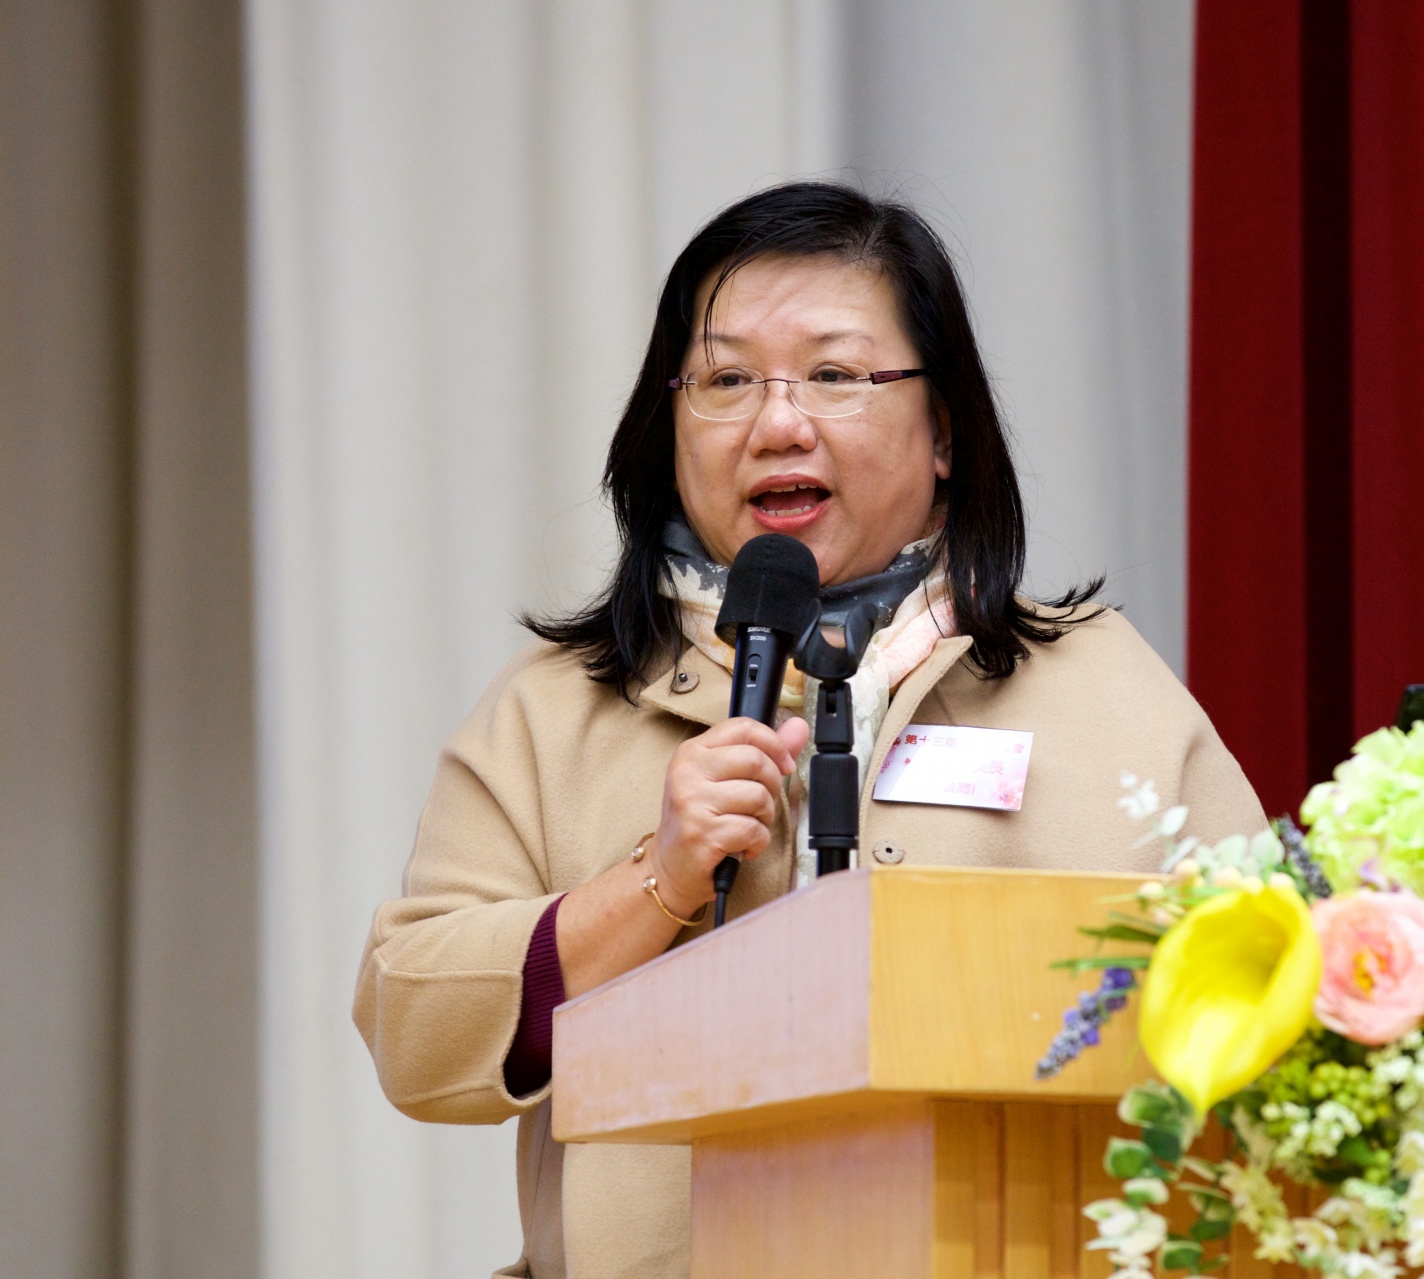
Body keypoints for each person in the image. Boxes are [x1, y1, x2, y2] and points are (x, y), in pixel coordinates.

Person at [354, 181, 1264, 1279]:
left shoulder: (1099, 685)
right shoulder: (557, 708)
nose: (777, 423)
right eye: (726, 379)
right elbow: (414, 1027)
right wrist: (655, 881)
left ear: (945, 431)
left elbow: (1271, 1004)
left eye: (836, 375)